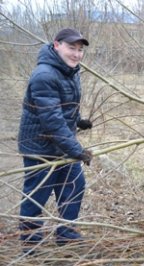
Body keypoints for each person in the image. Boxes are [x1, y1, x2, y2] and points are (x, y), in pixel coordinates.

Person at [18, 28, 93, 252]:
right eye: (72, 48)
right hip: (40, 146)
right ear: (56, 45)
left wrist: (78, 122)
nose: (77, 54)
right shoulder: (45, 75)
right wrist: (77, 150)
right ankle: (31, 245)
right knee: (37, 195)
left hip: (62, 143)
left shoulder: (69, 71)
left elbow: (62, 108)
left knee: (74, 186)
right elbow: (52, 122)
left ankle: (66, 234)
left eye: (80, 50)